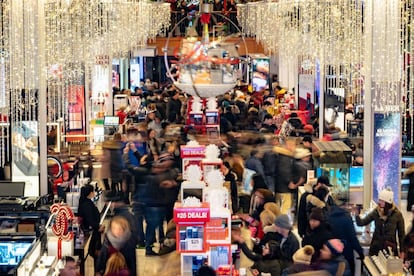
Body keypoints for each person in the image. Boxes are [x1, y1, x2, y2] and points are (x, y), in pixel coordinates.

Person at [356, 188, 405, 256]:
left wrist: (402, 252)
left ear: (388, 202)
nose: (379, 202)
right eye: (379, 200)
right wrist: (356, 214)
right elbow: (362, 223)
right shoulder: (376, 212)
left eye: (382, 201)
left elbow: (401, 235)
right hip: (375, 249)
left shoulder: (397, 215)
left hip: (390, 250)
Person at [326, 201, 365, 274]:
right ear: (345, 205)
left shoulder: (328, 216)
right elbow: (352, 238)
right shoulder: (346, 218)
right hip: (346, 253)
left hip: (332, 251)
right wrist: (360, 252)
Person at [78, 184, 104, 259]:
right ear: (90, 193)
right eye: (93, 191)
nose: (94, 193)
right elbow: (90, 220)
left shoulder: (86, 202)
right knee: (96, 251)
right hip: (92, 231)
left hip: (94, 228)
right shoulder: (87, 205)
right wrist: (98, 226)